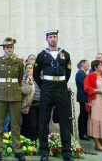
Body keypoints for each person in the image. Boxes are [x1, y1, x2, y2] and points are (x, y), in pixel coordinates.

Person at [33, 29, 73, 161]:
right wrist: (44, 85)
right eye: (50, 37)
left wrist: (62, 83)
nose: (52, 39)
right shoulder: (41, 55)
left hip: (61, 89)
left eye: (54, 37)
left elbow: (68, 72)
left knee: (64, 121)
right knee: (43, 120)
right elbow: (36, 73)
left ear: (57, 38)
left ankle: (67, 152)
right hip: (47, 89)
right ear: (47, 39)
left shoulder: (65, 54)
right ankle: (44, 151)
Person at [0, 37, 25, 161]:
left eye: (11, 47)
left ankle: (17, 150)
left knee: (15, 124)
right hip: (1, 94)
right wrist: (0, 88)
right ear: (4, 49)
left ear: (13, 48)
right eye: (7, 47)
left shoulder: (18, 62)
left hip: (15, 95)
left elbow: (20, 78)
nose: (9, 49)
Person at [84, 60, 102, 152]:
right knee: (96, 121)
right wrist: (98, 91)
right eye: (101, 65)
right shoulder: (90, 75)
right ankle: (97, 144)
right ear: (95, 67)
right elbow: (87, 88)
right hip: (95, 100)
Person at [75, 59, 90, 141]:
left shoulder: (84, 73)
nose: (89, 66)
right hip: (83, 97)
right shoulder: (80, 73)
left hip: (85, 97)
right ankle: (82, 133)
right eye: (87, 64)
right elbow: (85, 85)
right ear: (83, 65)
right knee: (83, 115)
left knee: (85, 115)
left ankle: (85, 132)